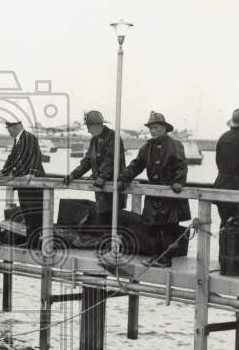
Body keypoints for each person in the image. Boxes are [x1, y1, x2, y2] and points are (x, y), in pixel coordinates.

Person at [119, 112, 190, 267]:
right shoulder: (147, 147)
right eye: (151, 128)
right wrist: (125, 177)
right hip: (153, 194)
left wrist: (179, 182)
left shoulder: (175, 145)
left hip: (170, 194)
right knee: (151, 227)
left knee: (169, 229)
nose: (153, 131)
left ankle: (166, 259)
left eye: (156, 127)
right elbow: (137, 164)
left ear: (164, 128)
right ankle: (156, 256)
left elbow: (181, 165)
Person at [62, 110, 126, 226]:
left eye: (89, 127)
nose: (88, 130)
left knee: (113, 220)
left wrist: (102, 176)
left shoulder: (113, 137)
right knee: (103, 220)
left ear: (96, 126)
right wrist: (73, 175)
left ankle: (111, 242)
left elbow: (111, 160)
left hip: (112, 186)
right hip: (101, 189)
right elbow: (87, 161)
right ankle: (105, 241)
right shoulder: (94, 140)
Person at [0, 119, 46, 247]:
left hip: (32, 182)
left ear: (14, 127)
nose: (8, 131)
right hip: (22, 182)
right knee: (27, 212)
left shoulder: (29, 138)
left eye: (8, 129)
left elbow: (35, 155)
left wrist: (31, 173)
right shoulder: (18, 140)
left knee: (35, 213)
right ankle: (31, 242)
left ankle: (36, 242)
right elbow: (12, 157)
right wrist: (4, 172)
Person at [214, 106, 239, 222]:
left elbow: (218, 161)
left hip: (221, 184)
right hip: (238, 187)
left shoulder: (223, 137)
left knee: (225, 223)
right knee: (238, 226)